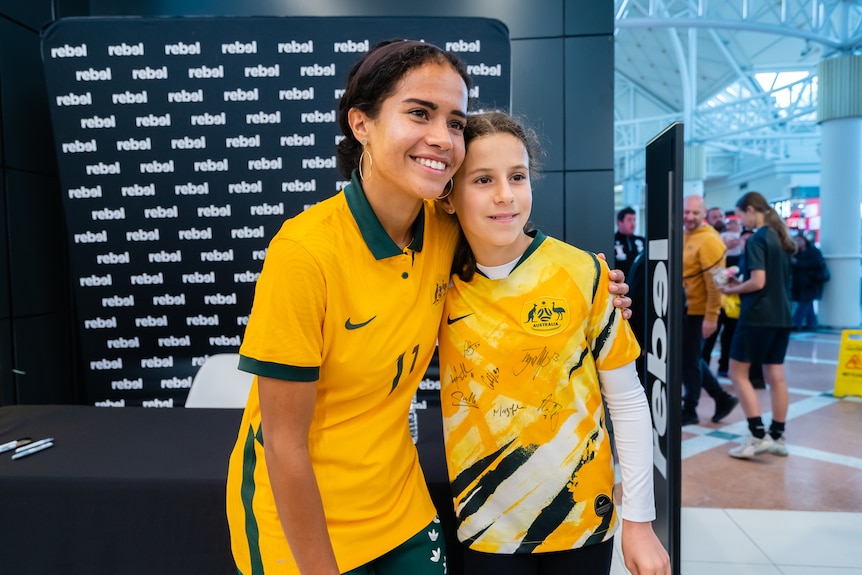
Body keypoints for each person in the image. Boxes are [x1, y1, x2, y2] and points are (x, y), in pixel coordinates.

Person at [224, 40, 632, 575]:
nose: (442, 138)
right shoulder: (304, 253)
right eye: (419, 113)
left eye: (456, 121)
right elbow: (281, 443)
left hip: (403, 510)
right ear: (361, 124)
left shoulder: (444, 228)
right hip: (302, 523)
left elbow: (524, 256)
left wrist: (599, 283)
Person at [437, 111, 670, 575]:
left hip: (584, 519)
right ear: (448, 196)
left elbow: (625, 398)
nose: (505, 195)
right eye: (483, 179)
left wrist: (639, 520)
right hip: (485, 526)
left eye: (517, 176)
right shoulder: (433, 280)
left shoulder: (584, 273)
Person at [718, 191, 796, 459]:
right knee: (776, 375)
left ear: (750, 210)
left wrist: (732, 290)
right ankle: (777, 436)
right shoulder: (780, 238)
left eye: (740, 216)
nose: (741, 222)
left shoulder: (757, 239)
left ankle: (756, 433)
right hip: (782, 316)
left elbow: (758, 281)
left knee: (737, 373)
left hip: (758, 316)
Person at [681, 195, 739, 426]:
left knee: (689, 361)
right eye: (686, 212)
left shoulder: (710, 241)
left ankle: (691, 408)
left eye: (695, 213)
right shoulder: (685, 236)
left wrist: (711, 317)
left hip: (698, 312)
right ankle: (722, 398)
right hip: (684, 309)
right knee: (690, 358)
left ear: (703, 213)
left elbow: (717, 283)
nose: (690, 217)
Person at [702, 215, 743, 376]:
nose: (719, 219)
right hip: (714, 297)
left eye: (721, 216)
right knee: (709, 336)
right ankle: (703, 369)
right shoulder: (710, 241)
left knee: (730, 334)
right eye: (715, 217)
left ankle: (724, 366)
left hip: (733, 297)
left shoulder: (741, 241)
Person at [790, 234, 828, 330]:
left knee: (805, 301)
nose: (798, 242)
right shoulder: (796, 253)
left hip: (811, 282)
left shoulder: (813, 251)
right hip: (800, 283)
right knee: (807, 302)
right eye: (796, 240)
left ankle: (796, 322)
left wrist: (798, 263)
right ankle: (812, 323)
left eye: (800, 240)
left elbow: (816, 263)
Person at [613, 206, 645, 277]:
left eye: (634, 220)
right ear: (619, 222)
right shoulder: (612, 241)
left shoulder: (642, 241)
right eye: (629, 220)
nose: (633, 223)